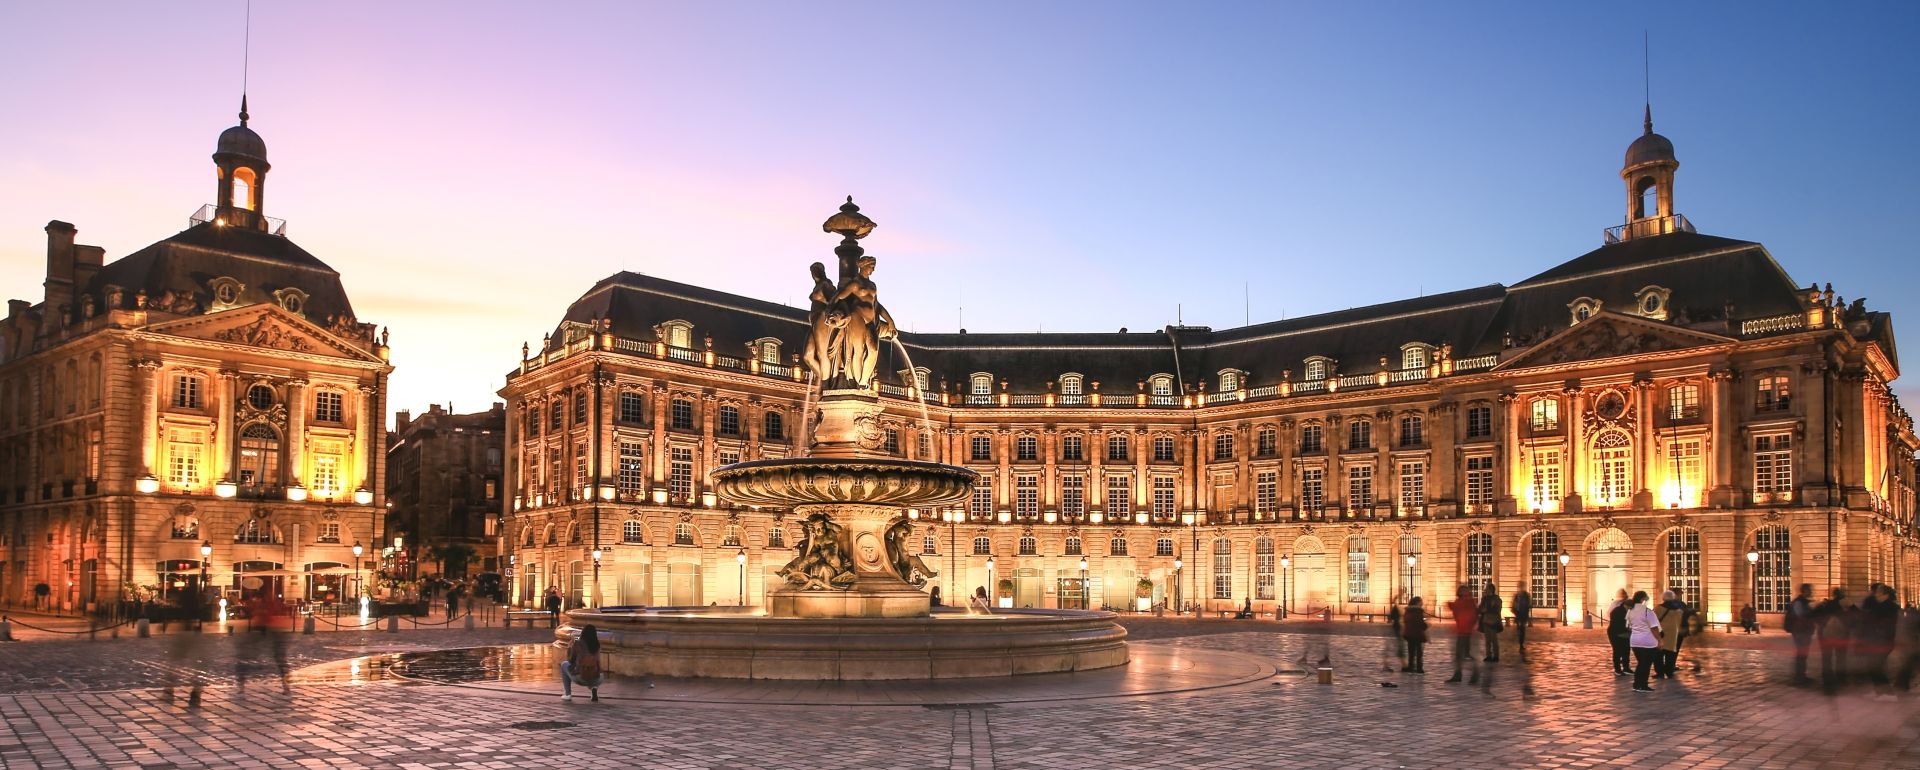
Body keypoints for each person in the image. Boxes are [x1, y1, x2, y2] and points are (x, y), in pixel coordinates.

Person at [1859, 584, 1898, 700]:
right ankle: (1879, 691)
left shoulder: (1890, 607)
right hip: (1877, 641)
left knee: (1876, 667)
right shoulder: (1881, 605)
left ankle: (1889, 694)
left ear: (1885, 595)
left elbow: (1883, 624)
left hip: (1883, 642)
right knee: (1873, 666)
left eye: (1878, 593)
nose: (1875, 595)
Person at [1815, 587, 1850, 694]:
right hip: (1842, 636)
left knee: (1826, 658)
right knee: (1841, 657)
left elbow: (1817, 616)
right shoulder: (1846, 606)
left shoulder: (1827, 605)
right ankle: (1841, 678)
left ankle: (1827, 679)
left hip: (1826, 636)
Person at [1626, 590, 1663, 692]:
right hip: (1647, 641)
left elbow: (1629, 626)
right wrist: (1659, 640)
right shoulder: (1648, 612)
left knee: (1641, 663)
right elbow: (1654, 627)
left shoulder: (1630, 611)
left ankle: (1637, 684)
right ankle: (1642, 685)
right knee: (1645, 665)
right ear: (1643, 599)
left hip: (1634, 641)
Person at [560, 624, 605, 702]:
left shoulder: (578, 644)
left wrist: (570, 647)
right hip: (597, 678)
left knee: (564, 664)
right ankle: (594, 688)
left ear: (583, 633)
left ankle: (568, 694)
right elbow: (598, 662)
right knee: (597, 670)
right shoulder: (597, 645)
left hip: (581, 677)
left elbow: (570, 660)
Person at [1446, 584, 1480, 684]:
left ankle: (1473, 674)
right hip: (1462, 631)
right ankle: (1460, 674)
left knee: (1466, 655)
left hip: (1466, 632)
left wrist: (1451, 606)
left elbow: (1468, 615)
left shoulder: (1467, 602)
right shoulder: (1465, 601)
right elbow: (1457, 611)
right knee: (1461, 655)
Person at [1786, 583, 1817, 686]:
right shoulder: (1798, 602)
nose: (1811, 592)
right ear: (1804, 591)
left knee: (1803, 655)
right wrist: (1814, 611)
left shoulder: (1803, 602)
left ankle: (1801, 676)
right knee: (1801, 655)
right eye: (1809, 590)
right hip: (1800, 632)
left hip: (1804, 632)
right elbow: (1802, 616)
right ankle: (1799, 678)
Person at [1654, 589, 1688, 679]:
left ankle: (1660, 672)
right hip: (1674, 635)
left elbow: (1652, 620)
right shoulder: (1679, 609)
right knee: (1671, 654)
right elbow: (1683, 621)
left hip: (1661, 634)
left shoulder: (1658, 608)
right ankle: (1669, 671)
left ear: (1664, 598)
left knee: (1658, 654)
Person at [1607, 588, 1632, 676]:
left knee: (1626, 650)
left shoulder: (1627, 610)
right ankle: (1617, 669)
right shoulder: (1617, 611)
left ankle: (1626, 667)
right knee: (1617, 651)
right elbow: (1617, 624)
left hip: (1625, 633)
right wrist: (1626, 630)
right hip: (1616, 632)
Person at [1401, 597, 1427, 673]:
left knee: (1411, 651)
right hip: (1417, 634)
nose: (1422, 603)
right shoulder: (1418, 611)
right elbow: (1419, 623)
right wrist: (1426, 626)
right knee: (1419, 652)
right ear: (1417, 603)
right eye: (1421, 601)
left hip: (1409, 633)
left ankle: (1411, 666)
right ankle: (1419, 668)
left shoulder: (1408, 610)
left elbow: (1405, 621)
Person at [1478, 588, 1503, 663]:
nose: (1485, 591)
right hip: (1486, 620)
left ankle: (1496, 656)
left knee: (1494, 639)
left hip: (1493, 621)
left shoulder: (1496, 599)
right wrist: (1482, 610)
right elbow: (1481, 608)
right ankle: (1488, 655)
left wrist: (1487, 610)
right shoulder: (1484, 599)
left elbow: (1498, 609)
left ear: (1491, 590)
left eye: (1487, 590)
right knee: (1487, 640)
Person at [1511, 588, 1533, 662]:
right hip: (1518, 615)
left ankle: (1521, 643)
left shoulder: (1526, 596)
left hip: (1523, 615)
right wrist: (1515, 611)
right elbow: (1513, 605)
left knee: (1522, 630)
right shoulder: (1517, 596)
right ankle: (1520, 642)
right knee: (1520, 629)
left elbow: (1529, 605)